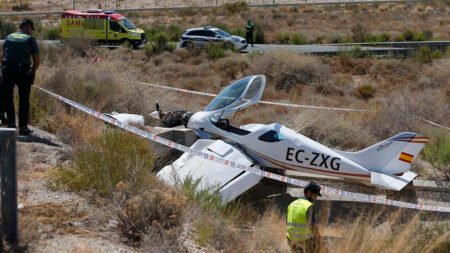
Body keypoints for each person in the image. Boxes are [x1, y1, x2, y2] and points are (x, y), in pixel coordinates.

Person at [1, 18, 40, 135]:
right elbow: (37, 61)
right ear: (27, 27)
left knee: (8, 98)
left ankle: (11, 124)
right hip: (22, 70)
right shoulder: (30, 39)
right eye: (31, 29)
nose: (31, 32)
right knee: (24, 100)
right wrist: (32, 71)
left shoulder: (8, 37)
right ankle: (23, 127)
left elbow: (2, 58)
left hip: (7, 69)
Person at [286, 181, 323, 253]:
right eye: (315, 195)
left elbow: (287, 222)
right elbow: (313, 227)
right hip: (306, 241)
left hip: (291, 239)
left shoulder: (292, 204)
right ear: (309, 193)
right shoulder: (309, 206)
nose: (316, 198)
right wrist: (320, 243)